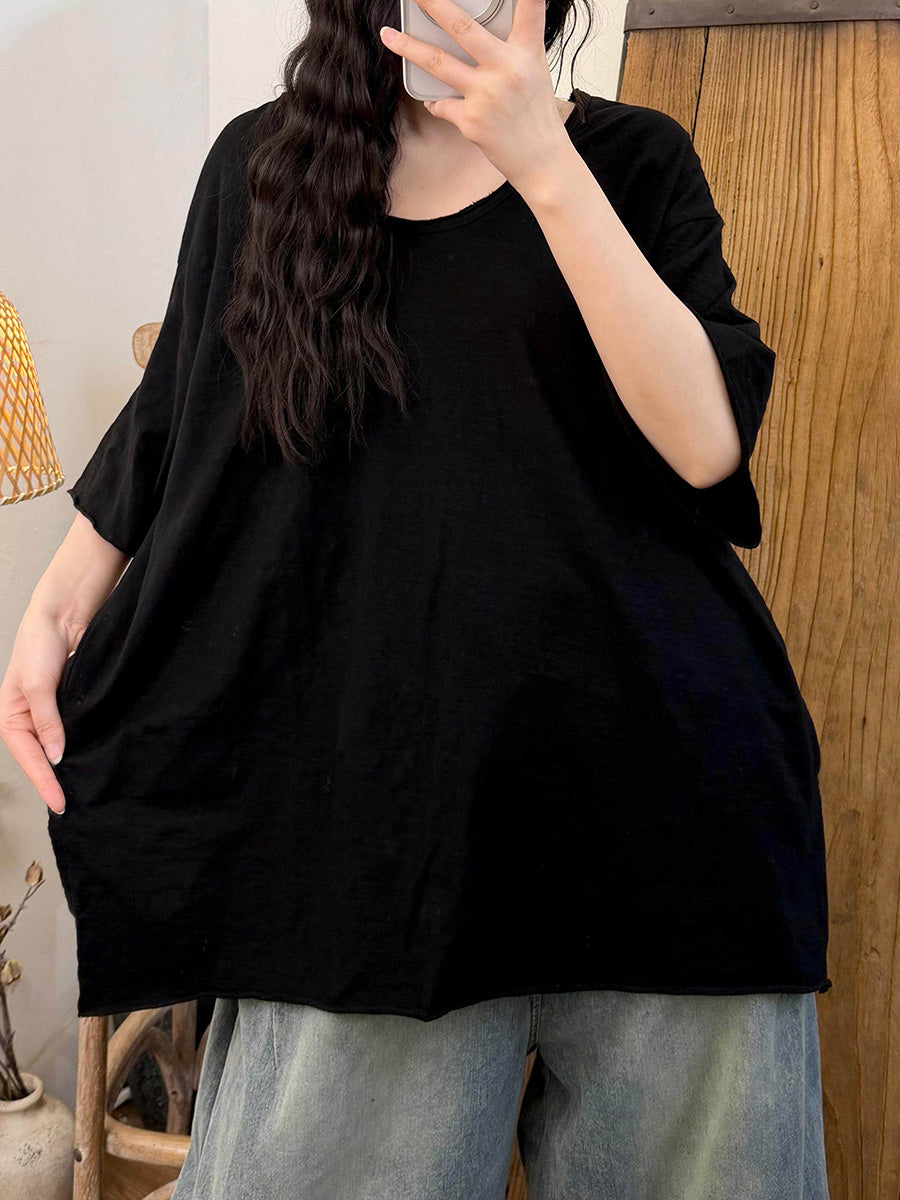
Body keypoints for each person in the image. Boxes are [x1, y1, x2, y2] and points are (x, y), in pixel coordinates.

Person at [2, 0, 832, 1196]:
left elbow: (706, 442)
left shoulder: (634, 161)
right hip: (367, 831)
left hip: (668, 817)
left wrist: (543, 161)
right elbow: (184, 409)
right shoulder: (265, 171)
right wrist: (57, 605)